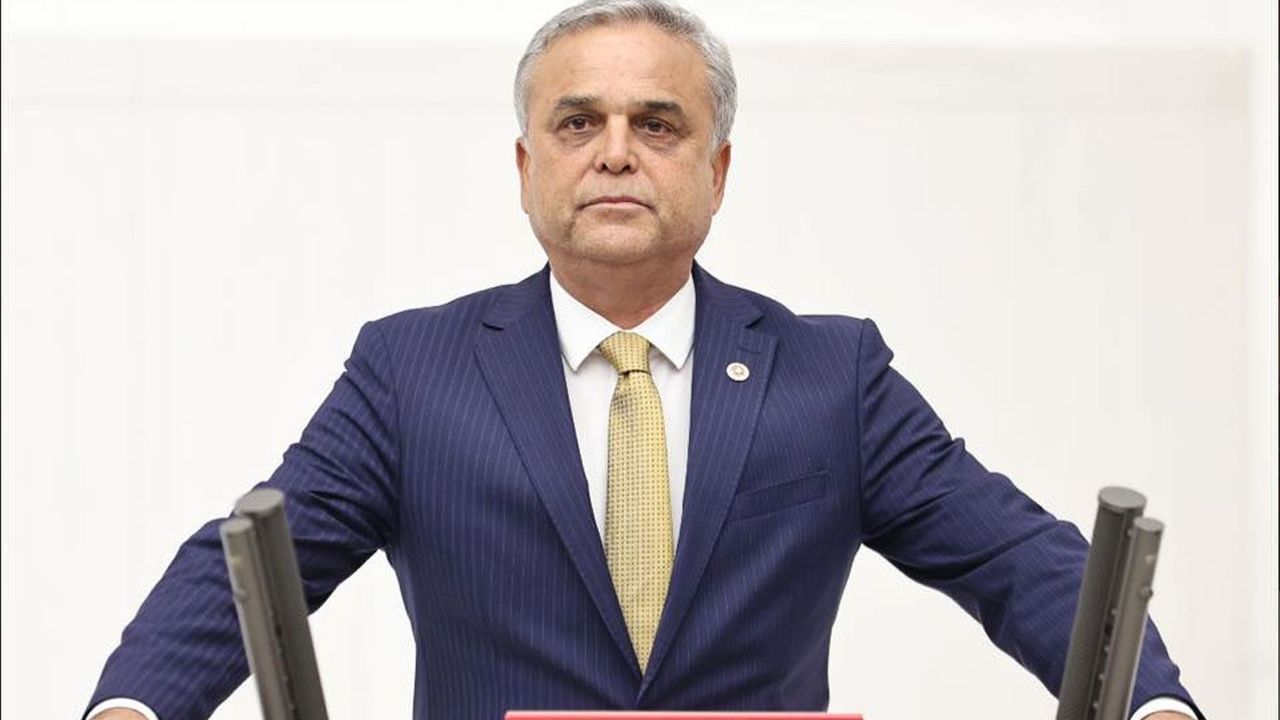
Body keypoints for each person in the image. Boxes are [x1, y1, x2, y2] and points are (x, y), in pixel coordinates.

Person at [86, 2, 1203, 719]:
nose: (615, 153)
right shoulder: (411, 370)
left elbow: (1011, 554)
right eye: (577, 124)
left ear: (718, 170)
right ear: (525, 165)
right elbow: (250, 566)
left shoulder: (833, 375)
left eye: (656, 125)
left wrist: (1150, 703)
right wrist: (132, 709)